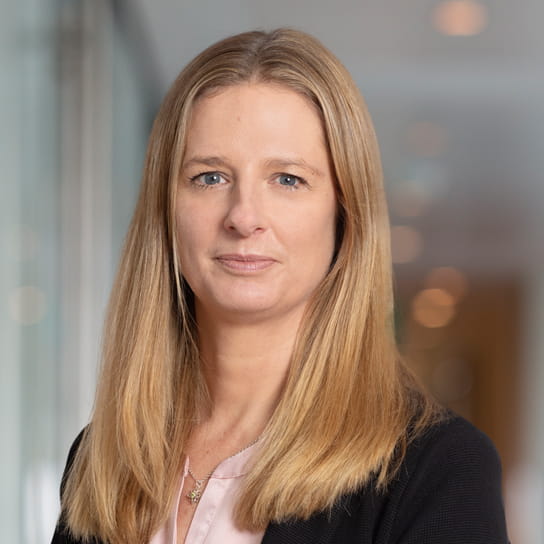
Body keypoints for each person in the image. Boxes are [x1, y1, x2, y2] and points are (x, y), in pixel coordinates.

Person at [51, 29, 509, 544]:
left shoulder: (438, 471)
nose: (244, 216)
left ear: (344, 214)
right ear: (166, 209)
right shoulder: (101, 462)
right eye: (210, 177)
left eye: (288, 179)